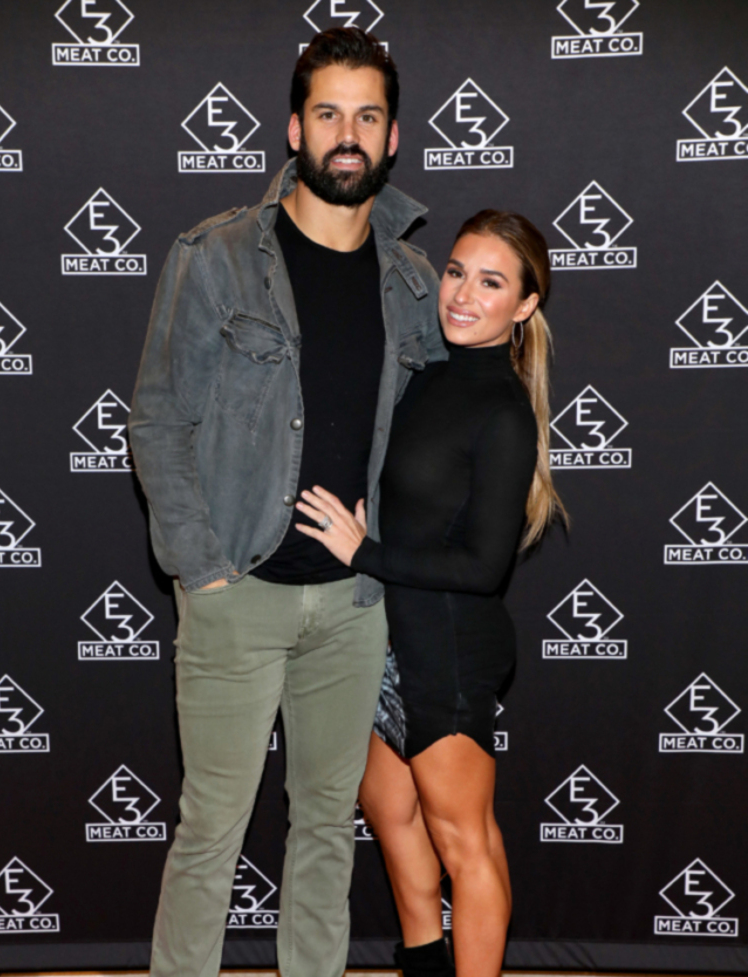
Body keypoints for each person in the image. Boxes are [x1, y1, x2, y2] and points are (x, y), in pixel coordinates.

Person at [128, 27, 445, 977]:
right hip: (239, 591)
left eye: (367, 116)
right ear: (294, 130)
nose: (346, 134)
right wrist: (203, 569)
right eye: (327, 114)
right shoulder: (215, 256)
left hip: (354, 605)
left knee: (325, 831)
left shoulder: (416, 281)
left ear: (392, 139)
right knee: (211, 829)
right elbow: (157, 418)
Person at [295, 210, 565, 977]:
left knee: (464, 842)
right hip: (380, 636)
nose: (463, 293)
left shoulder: (504, 410)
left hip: (446, 648)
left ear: (524, 305)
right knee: (391, 815)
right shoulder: (425, 376)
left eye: (491, 282)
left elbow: (483, 566)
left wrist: (365, 550)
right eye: (455, 272)